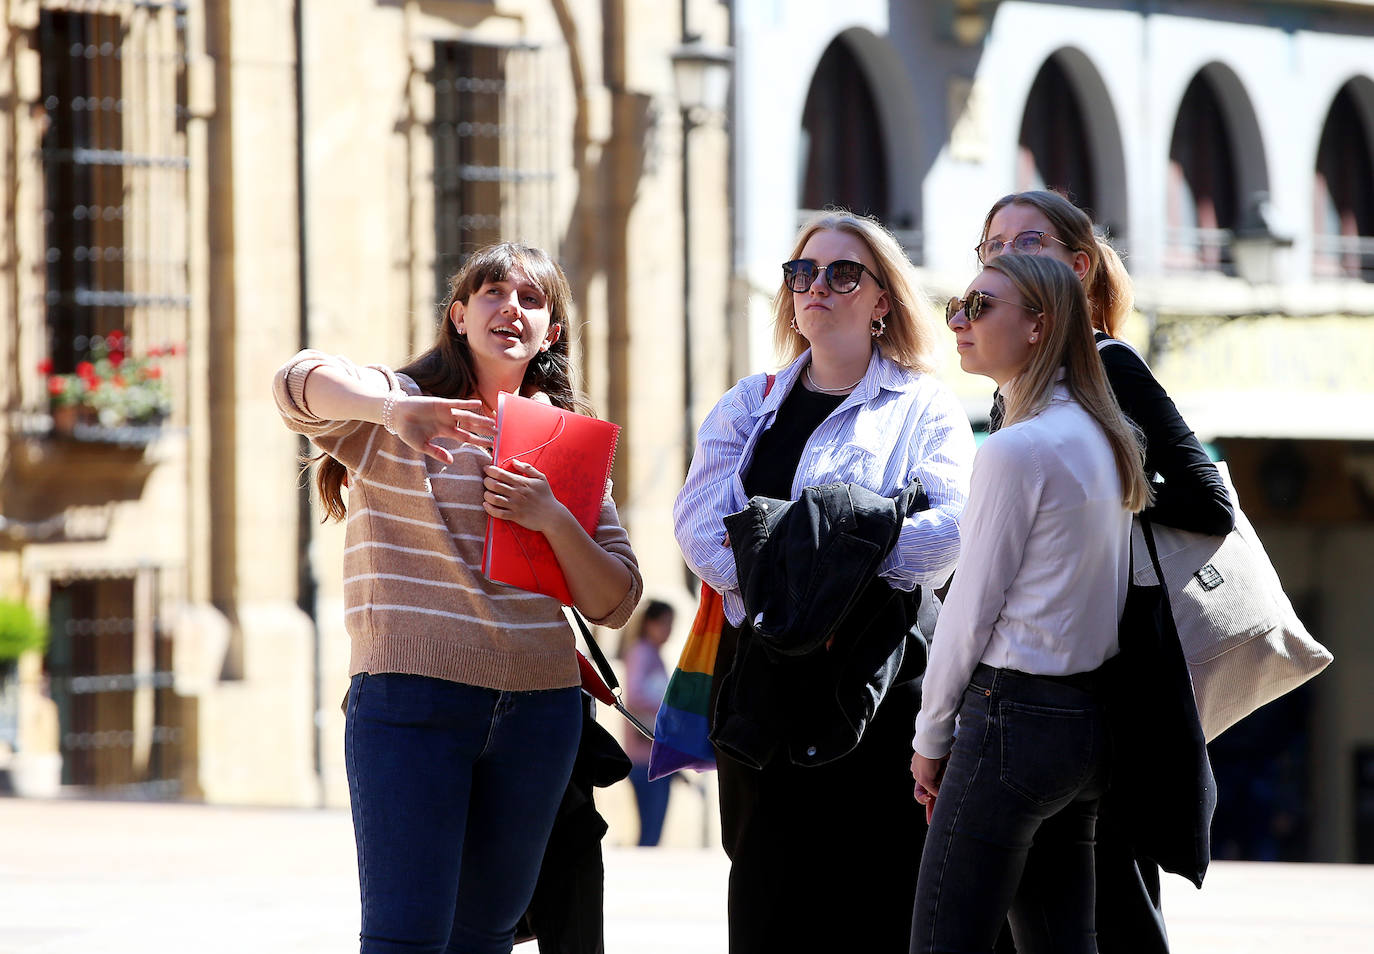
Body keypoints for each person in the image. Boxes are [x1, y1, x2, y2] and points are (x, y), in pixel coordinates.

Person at [271, 242, 642, 954]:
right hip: (411, 704)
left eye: (532, 299)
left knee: (484, 942)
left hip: (540, 715)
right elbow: (294, 385)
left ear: (551, 333)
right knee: (404, 941)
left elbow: (616, 600)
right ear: (460, 315)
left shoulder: (566, 444)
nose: (512, 308)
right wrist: (389, 410)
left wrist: (552, 516)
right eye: (494, 293)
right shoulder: (402, 406)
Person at [674, 209, 975, 952]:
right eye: (803, 272)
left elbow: (952, 531)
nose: (819, 287)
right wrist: (801, 592)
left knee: (881, 902)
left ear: (882, 300)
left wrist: (812, 578)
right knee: (769, 904)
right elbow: (696, 526)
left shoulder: (924, 405)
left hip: (880, 683)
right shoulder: (750, 404)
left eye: (845, 273)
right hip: (765, 686)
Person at [977, 190, 1235, 954]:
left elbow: (1206, 498)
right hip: (1046, 678)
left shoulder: (1108, 364)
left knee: (1114, 905)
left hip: (1113, 681)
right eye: (991, 247)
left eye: (1029, 241)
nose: (1005, 256)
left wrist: (1097, 496)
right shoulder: (1015, 386)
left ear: (1076, 265)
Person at [909, 253, 1153, 954]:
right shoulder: (1102, 436)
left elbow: (970, 610)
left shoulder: (1017, 449)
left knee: (942, 939)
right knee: (1060, 940)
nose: (958, 320)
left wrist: (930, 738)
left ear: (1038, 326)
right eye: (958, 303)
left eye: (980, 306)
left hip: (1013, 719)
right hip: (1083, 724)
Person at [618, 599, 676, 846]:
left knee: (653, 831)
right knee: (650, 833)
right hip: (644, 755)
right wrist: (669, 711)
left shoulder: (653, 655)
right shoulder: (641, 653)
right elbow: (636, 696)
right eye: (664, 624)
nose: (668, 631)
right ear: (649, 623)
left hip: (654, 754)